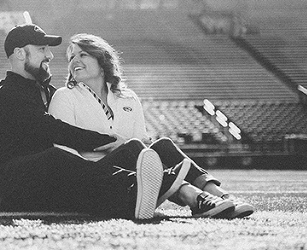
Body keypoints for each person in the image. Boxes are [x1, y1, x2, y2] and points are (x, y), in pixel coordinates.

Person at [0, 24, 187, 220]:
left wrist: (118, 144)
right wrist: (108, 139)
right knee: (56, 158)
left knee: (131, 147)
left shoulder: (46, 91)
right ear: (19, 54)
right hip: (5, 186)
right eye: (42, 49)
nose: (50, 55)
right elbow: (54, 130)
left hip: (48, 181)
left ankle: (198, 195)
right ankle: (144, 186)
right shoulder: (7, 94)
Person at [48, 33, 255, 218]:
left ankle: (221, 195)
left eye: (82, 54)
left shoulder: (128, 98)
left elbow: (143, 149)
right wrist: (116, 146)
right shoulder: (64, 96)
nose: (75, 61)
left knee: (162, 145)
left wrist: (124, 147)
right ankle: (193, 197)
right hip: (94, 179)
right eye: (71, 57)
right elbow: (64, 156)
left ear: (102, 60)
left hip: (136, 173)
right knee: (133, 147)